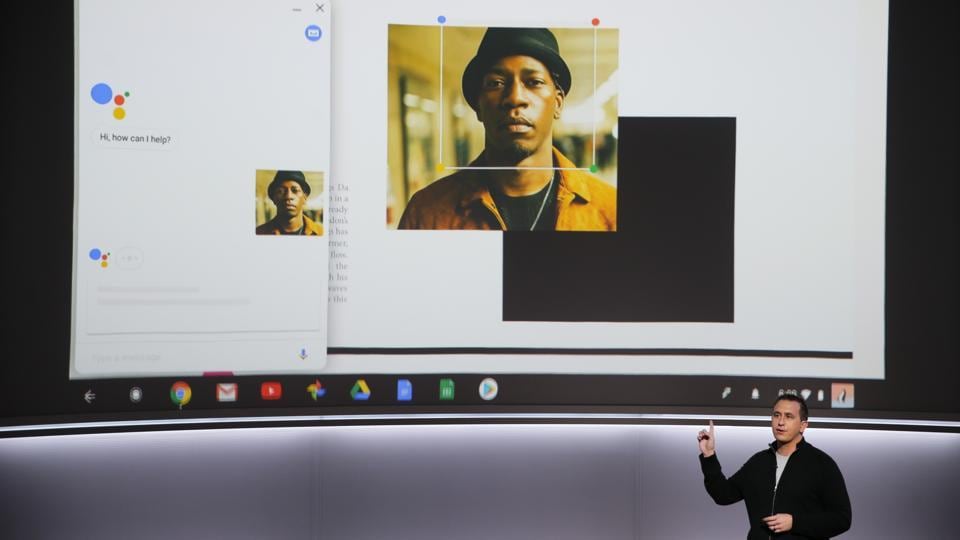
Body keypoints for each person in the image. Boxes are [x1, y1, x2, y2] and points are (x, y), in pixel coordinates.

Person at [398, 27, 616, 231]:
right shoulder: (426, 214)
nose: (515, 98)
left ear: (557, 103)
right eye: (496, 83)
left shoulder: (610, 210)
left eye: (534, 82)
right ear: (478, 106)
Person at [697, 394, 852, 539]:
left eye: (789, 416)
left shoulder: (822, 464)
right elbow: (723, 495)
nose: (781, 422)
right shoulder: (758, 462)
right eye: (776, 415)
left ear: (803, 425)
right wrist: (709, 455)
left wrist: (795, 522)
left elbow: (842, 519)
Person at [256, 170, 323, 236]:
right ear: (274, 198)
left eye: (295, 190)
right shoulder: (260, 233)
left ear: (304, 197)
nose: (288, 196)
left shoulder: (321, 233)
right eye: (280, 191)